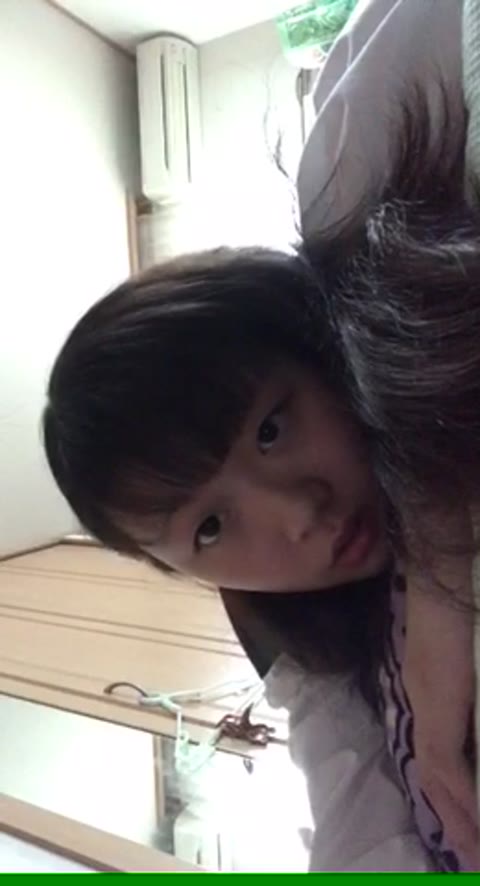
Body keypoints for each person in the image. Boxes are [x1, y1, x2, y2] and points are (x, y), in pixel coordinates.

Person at [42, 0, 478, 872]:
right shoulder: (326, 666)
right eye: (210, 529)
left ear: (321, 341)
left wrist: (441, 576)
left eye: (272, 429)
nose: (298, 513)